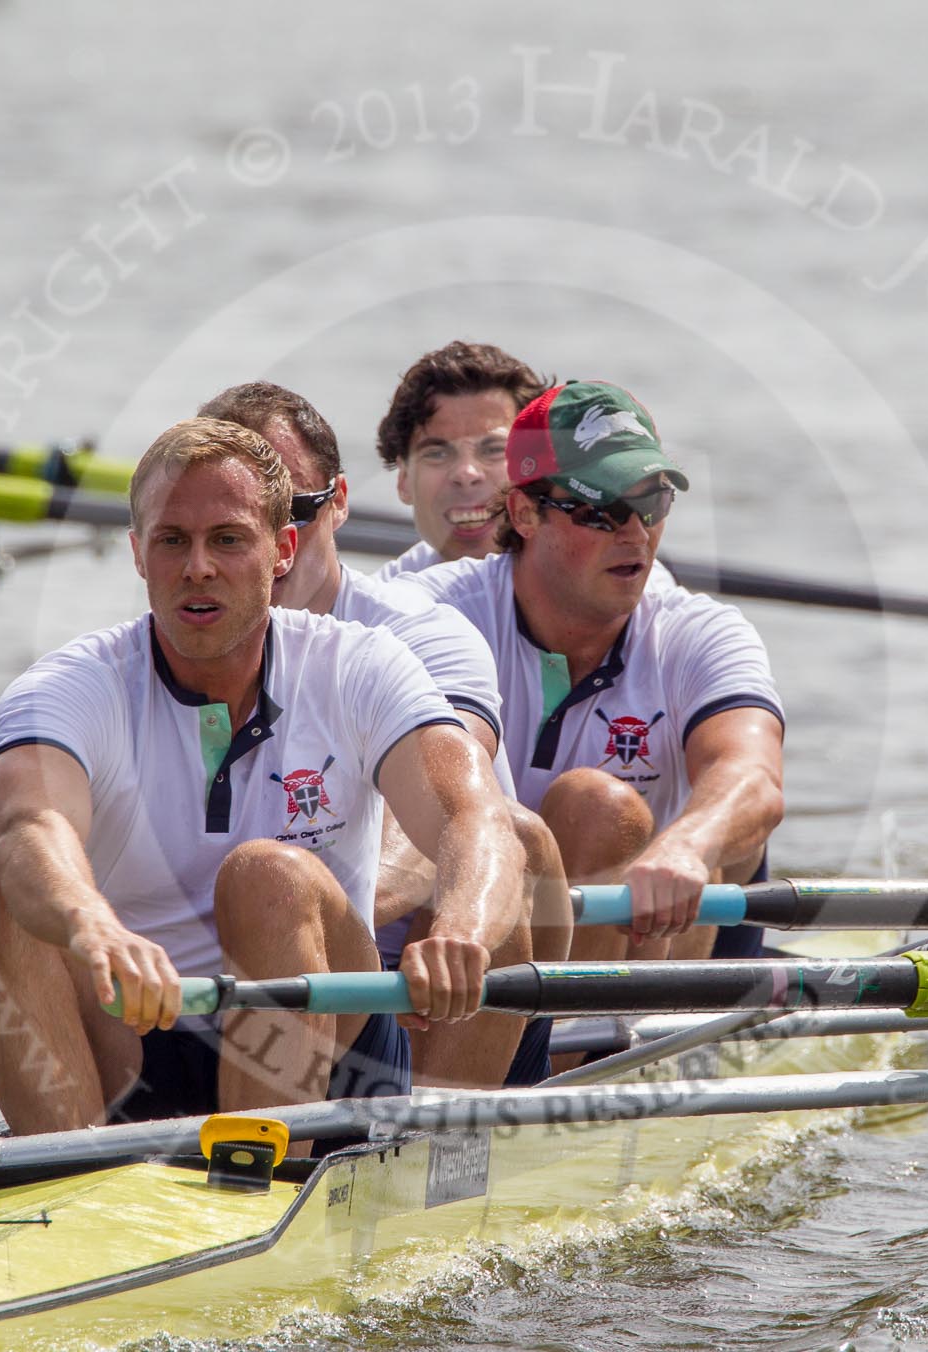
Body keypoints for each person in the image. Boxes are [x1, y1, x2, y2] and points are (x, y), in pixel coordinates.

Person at [0, 418, 528, 1141]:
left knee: (268, 876)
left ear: (282, 549)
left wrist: (461, 932)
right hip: (137, 1034)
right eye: (173, 541)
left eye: (227, 539)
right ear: (138, 553)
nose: (198, 566)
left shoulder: (358, 664)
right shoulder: (71, 686)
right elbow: (28, 825)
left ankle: (255, 1176)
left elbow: (476, 820)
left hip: (325, 1035)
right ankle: (61, 1178)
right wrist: (92, 925)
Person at [197, 380, 571, 1089]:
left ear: (338, 501)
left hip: (422, 981)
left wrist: (304, 911)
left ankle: (419, 1151)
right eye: (230, 529)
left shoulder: (423, 634)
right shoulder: (163, 649)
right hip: (262, 975)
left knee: (511, 838)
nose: (269, 555)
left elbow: (444, 812)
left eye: (294, 515)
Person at [412, 381, 784, 966]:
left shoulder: (701, 633)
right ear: (524, 512)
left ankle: (586, 1046)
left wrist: (687, 846)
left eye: (652, 503)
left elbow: (754, 776)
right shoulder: (432, 614)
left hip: (648, 956)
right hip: (478, 938)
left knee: (600, 806)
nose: (635, 533)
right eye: (603, 511)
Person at [372, 340, 547, 580]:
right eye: (437, 454)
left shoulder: (601, 595)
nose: (466, 473)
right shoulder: (373, 608)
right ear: (403, 479)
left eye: (494, 449)